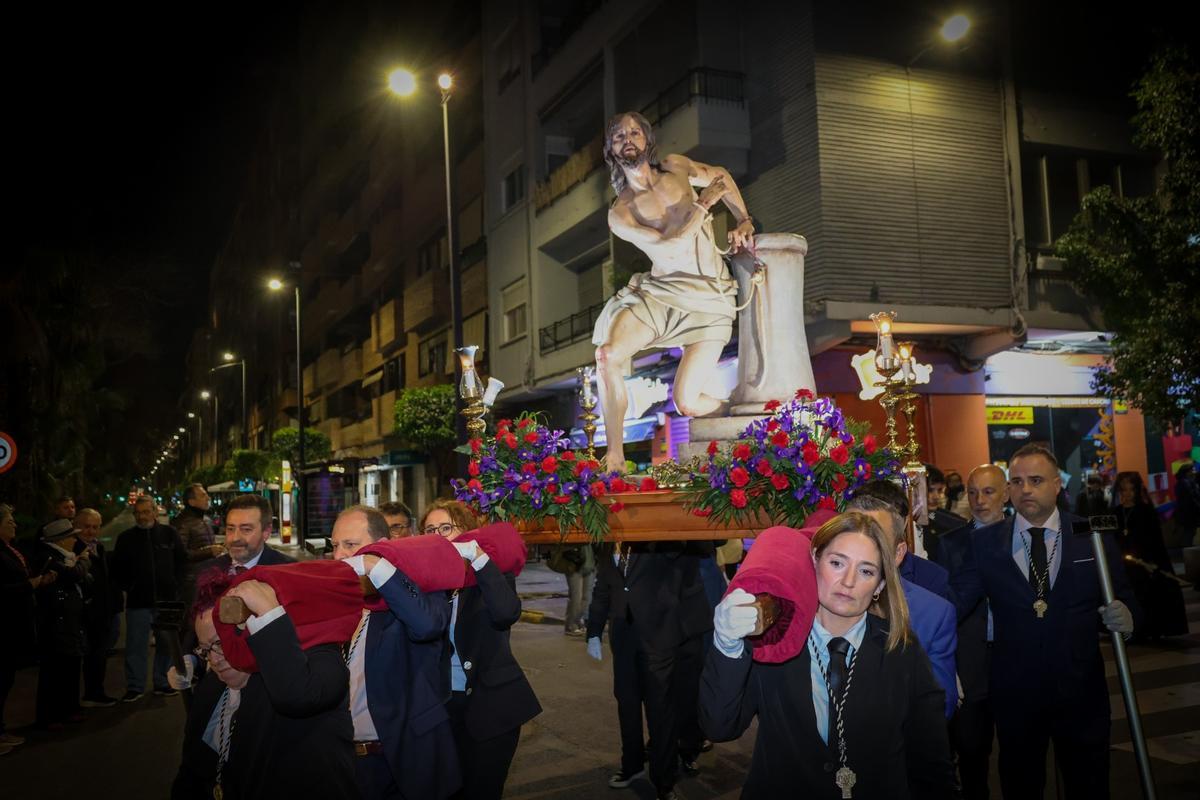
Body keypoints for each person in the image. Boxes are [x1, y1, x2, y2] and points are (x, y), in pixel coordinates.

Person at [700, 512, 957, 798]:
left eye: (866, 571)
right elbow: (719, 726)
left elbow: (930, 761)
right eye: (837, 563)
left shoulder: (902, 650)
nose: (848, 581)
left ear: (880, 586)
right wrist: (727, 645)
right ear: (814, 562)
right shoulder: (775, 640)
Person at [949, 443, 1137, 799]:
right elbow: (955, 601)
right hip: (1016, 694)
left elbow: (1125, 598)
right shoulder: (986, 543)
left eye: (1036, 480)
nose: (1026, 490)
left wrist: (1127, 618)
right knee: (1022, 784)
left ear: (1057, 485)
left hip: (1081, 690)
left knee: (1089, 782)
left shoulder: (1090, 535)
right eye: (1017, 482)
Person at [592, 111, 755, 473]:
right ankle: (615, 454)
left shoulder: (677, 168)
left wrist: (743, 218)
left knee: (686, 402)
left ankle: (733, 407)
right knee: (607, 355)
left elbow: (722, 177)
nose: (628, 138)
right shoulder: (621, 213)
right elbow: (670, 248)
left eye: (634, 131)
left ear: (647, 140)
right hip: (662, 293)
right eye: (618, 136)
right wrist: (703, 204)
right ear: (611, 150)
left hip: (710, 300)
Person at [171, 568, 358, 799]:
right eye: (205, 649)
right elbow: (190, 770)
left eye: (220, 643)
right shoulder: (210, 689)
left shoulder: (306, 671)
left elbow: (299, 696)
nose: (215, 659)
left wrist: (269, 614)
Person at [330, 505, 460, 800]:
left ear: (381, 546)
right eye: (335, 546)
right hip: (347, 761)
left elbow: (427, 625)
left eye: (351, 545)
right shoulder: (337, 600)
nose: (339, 556)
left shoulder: (416, 589)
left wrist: (375, 567)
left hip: (405, 759)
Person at [421, 499, 541, 799]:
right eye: (430, 529)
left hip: (491, 707)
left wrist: (477, 556)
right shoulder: (425, 582)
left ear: (466, 531)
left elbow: (505, 614)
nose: (438, 536)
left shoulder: (491, 573)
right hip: (440, 708)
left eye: (446, 528)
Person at [585, 538, 714, 800]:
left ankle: (664, 781)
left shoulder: (658, 539)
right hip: (624, 636)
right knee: (627, 703)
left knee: (660, 708)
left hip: (660, 634)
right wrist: (594, 632)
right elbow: (604, 586)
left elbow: (696, 546)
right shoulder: (607, 542)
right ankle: (631, 765)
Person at [846, 493, 958, 718]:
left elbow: (939, 704)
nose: (860, 551)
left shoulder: (932, 613)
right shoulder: (817, 600)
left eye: (875, 540)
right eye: (848, 538)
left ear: (898, 553)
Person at [112, 495, 187, 702]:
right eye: (138, 513)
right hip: (138, 602)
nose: (142, 516)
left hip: (167, 600)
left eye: (146, 511)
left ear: (155, 512)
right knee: (136, 645)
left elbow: (181, 562)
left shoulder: (169, 534)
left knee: (166, 644)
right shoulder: (126, 538)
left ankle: (162, 682)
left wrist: (176, 586)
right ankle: (135, 687)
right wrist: (130, 586)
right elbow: (117, 570)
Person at [1113, 471, 1187, 638]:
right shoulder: (1116, 512)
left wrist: (1152, 561)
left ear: (1137, 490)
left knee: (1148, 598)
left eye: (1131, 489)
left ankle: (1150, 629)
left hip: (1144, 563)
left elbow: (1155, 540)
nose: (1127, 494)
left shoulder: (1146, 511)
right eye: (1124, 489)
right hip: (1124, 566)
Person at [849, 480, 950, 600]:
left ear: (905, 522)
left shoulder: (931, 577)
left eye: (880, 526)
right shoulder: (835, 568)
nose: (868, 533)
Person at [33, 518, 89, 729]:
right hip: (55, 623)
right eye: (72, 536)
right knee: (54, 671)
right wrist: (84, 561)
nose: (75, 539)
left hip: (68, 621)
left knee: (70, 666)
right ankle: (49, 716)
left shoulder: (64, 556)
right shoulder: (48, 558)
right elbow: (72, 575)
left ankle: (68, 709)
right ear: (61, 540)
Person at [1, 504, 47, 755]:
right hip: (5, 624)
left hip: (14, 623)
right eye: (9, 521)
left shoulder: (9, 549)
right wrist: (29, 584)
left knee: (6, 680)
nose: (14, 524)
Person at [75, 508, 120, 708]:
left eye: (95, 527)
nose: (91, 531)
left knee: (100, 654)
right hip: (85, 613)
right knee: (89, 656)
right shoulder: (74, 549)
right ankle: (88, 695)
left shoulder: (98, 547)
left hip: (103, 611)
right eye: (86, 527)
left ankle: (96, 692)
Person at [204, 493, 295, 574]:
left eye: (246, 529)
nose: (235, 538)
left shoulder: (289, 572)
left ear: (266, 532)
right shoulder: (209, 571)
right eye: (230, 529)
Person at [174, 484, 223, 599]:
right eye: (203, 495)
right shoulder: (182, 523)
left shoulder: (205, 520)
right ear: (192, 502)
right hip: (191, 584)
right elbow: (180, 554)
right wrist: (209, 552)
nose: (208, 498)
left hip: (208, 579)